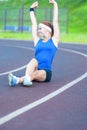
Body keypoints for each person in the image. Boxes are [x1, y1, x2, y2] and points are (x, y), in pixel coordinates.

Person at [8, 0, 60, 87]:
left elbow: (55, 22)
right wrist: (31, 9)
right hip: (35, 68)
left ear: (48, 30)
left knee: (36, 74)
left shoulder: (54, 41)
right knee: (33, 60)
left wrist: (55, 4)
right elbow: (33, 24)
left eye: (41, 28)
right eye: (38, 28)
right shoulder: (37, 41)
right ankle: (21, 80)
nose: (38, 30)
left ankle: (20, 79)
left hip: (46, 72)